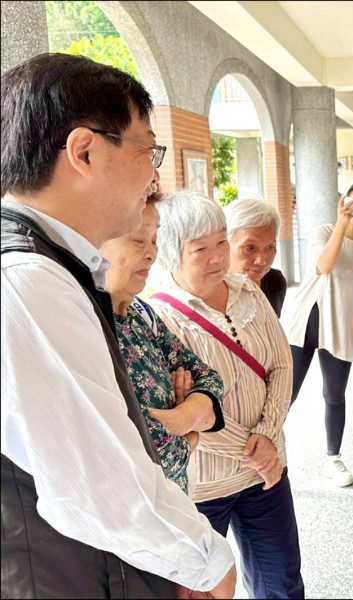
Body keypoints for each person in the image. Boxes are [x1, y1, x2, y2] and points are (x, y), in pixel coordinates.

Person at [1, 53, 235, 599]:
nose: (154, 174)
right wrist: (207, 564)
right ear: (85, 151)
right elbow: (99, 485)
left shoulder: (50, 267)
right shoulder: (27, 281)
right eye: (147, 150)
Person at [149, 190, 303, 599]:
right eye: (201, 248)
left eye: (221, 242)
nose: (218, 256)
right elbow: (182, 412)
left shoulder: (249, 291)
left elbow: (281, 364)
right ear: (171, 251)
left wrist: (267, 436)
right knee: (204, 590)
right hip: (203, 486)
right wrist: (256, 451)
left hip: (266, 475)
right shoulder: (161, 317)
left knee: (282, 582)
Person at [100, 189, 226, 495]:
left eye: (154, 240)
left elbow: (209, 379)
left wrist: (182, 417)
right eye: (139, 241)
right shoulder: (86, 325)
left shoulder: (141, 314)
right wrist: (188, 437)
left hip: (174, 502)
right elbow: (139, 446)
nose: (151, 253)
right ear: (96, 243)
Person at [283, 180, 353, 487]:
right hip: (308, 319)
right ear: (344, 201)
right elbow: (323, 266)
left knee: (335, 394)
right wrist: (341, 223)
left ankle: (332, 458)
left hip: (343, 323)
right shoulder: (323, 232)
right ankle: (265, 449)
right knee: (286, 394)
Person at [225, 197, 288, 317]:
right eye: (250, 248)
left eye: (269, 247)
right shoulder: (211, 293)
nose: (261, 261)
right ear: (224, 243)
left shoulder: (275, 282)